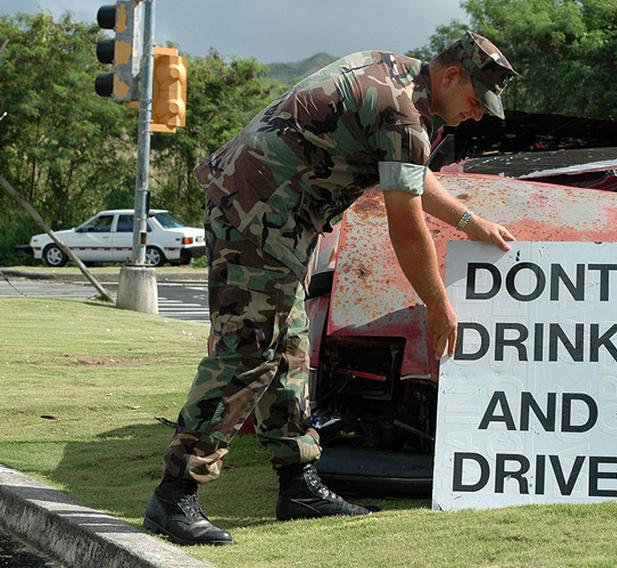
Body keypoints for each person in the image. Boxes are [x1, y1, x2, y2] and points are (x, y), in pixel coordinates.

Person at [142, 31, 518, 546]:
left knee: (292, 347)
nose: (477, 114)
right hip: (259, 212)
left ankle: (297, 484)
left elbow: (412, 173)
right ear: (451, 75)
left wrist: (469, 221)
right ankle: (174, 494)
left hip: (274, 214)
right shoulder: (401, 111)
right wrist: (437, 303)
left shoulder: (398, 78)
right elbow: (404, 225)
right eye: (476, 101)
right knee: (248, 351)